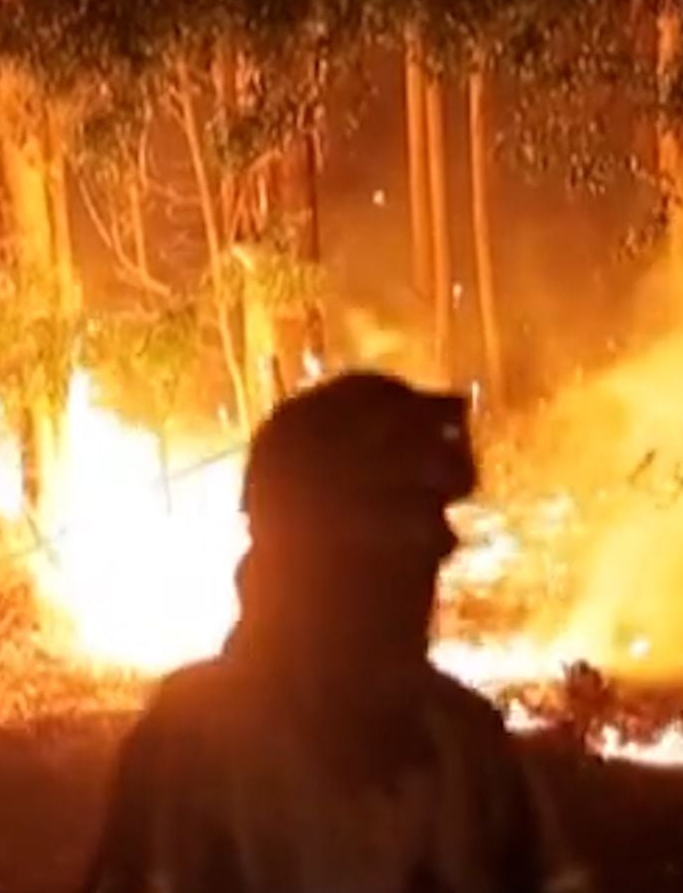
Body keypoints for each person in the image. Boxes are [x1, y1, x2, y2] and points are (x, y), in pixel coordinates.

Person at [82, 372, 590, 893]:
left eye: (428, 521)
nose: (437, 547)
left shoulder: (465, 747)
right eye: (395, 517)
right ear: (311, 544)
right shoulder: (199, 749)